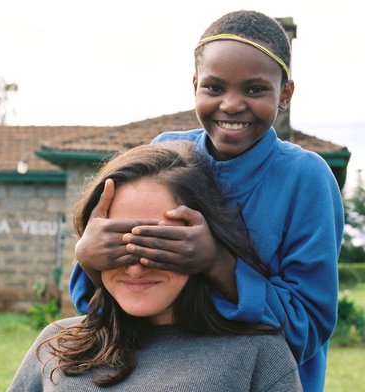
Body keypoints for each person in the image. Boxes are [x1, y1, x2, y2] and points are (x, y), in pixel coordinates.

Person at [69, 10, 343, 392]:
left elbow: (307, 327)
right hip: (162, 377)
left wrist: (216, 262)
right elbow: (108, 302)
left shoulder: (305, 179)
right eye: (214, 88)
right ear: (195, 85)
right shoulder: (168, 154)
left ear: (285, 94)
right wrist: (89, 258)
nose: (231, 104)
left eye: (254, 89)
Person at [8, 142, 302, 391]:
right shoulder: (55, 344)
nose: (136, 268)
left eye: (161, 246)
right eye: (118, 246)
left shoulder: (258, 356)